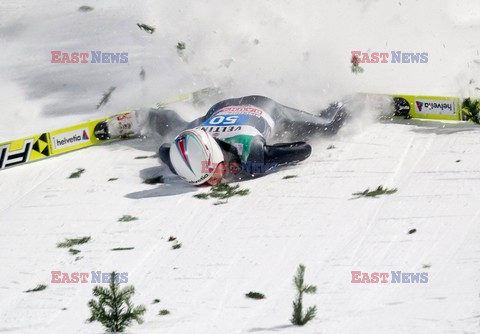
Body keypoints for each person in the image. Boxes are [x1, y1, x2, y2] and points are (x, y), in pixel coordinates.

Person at [147, 95, 350, 186]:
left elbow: (304, 149)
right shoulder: (183, 152)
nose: (210, 183)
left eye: (208, 175)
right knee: (174, 131)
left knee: (327, 126)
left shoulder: (249, 150)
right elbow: (165, 150)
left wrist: (264, 159)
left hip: (264, 106)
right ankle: (146, 114)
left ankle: (348, 100)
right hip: (218, 110)